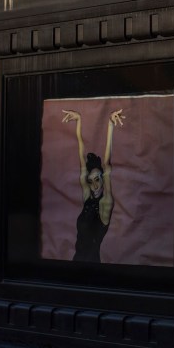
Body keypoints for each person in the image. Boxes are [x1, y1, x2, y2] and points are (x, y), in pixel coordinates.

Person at [62, 107, 124, 262]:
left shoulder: (105, 204)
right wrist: (79, 121)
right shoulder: (87, 199)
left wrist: (110, 125)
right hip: (76, 261)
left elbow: (107, 165)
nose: (94, 185)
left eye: (97, 179)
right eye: (91, 181)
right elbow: (82, 162)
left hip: (92, 264)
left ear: (103, 179)